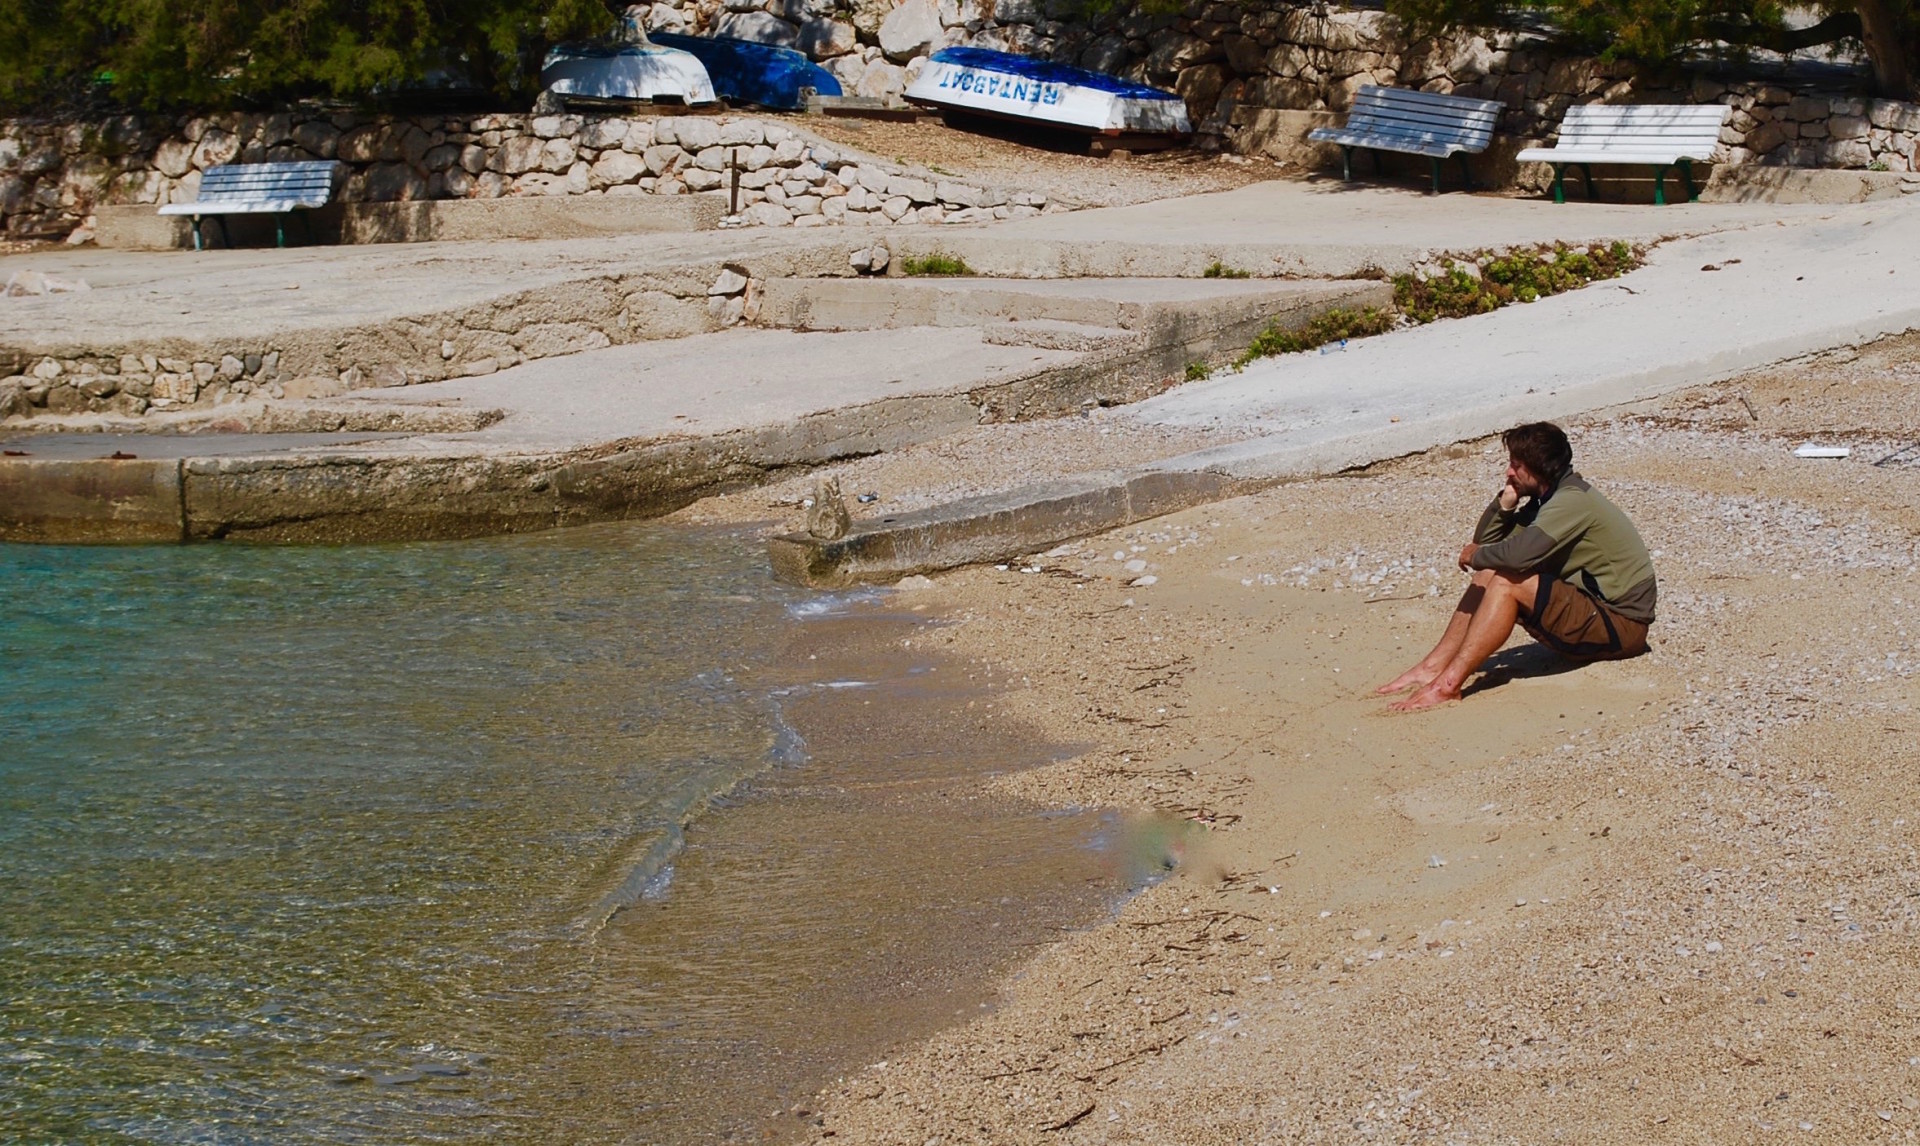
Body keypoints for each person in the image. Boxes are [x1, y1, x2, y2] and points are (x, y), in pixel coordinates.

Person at [1377, 421, 1656, 713]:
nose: (1509, 472)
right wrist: (1506, 503)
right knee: (1491, 571)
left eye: (1516, 465)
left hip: (1622, 627)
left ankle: (1448, 685)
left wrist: (1475, 556)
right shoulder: (1549, 499)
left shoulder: (1571, 503)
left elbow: (1513, 557)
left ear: (1539, 467)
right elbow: (1487, 545)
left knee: (1507, 580)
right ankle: (1433, 667)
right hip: (1598, 615)